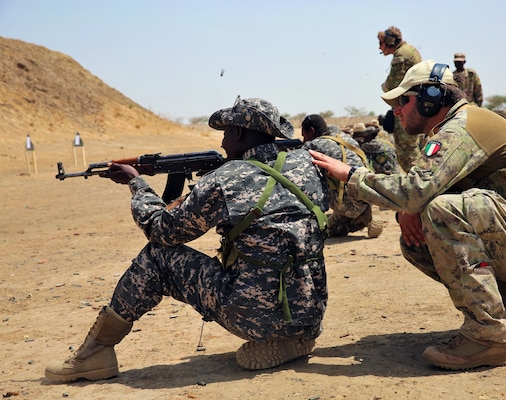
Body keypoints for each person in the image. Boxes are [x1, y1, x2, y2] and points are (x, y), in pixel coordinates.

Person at [309, 59, 506, 370]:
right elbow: (421, 193)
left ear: (432, 98)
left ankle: (488, 337)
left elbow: (417, 191)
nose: (397, 110)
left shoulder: (462, 126)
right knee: (415, 239)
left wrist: (351, 175)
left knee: (441, 210)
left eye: (404, 100)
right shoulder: (454, 126)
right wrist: (407, 211)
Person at [45, 97, 331, 381]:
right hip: (310, 311)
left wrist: (136, 184)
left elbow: (162, 230)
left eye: (226, 133)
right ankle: (292, 337)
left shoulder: (225, 179)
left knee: (157, 257)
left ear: (240, 133)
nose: (222, 142)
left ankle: (96, 353)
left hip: (257, 315)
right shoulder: (309, 164)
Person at [301, 114, 383, 239]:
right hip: (367, 190)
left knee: (322, 231)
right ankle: (366, 208)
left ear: (311, 131)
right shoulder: (345, 138)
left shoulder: (313, 146)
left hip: (348, 201)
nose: (303, 140)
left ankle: (359, 218)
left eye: (304, 136)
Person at [378, 25, 422, 172]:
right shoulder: (411, 50)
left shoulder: (400, 56)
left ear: (390, 42)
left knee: (406, 153)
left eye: (381, 43)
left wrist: (384, 87)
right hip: (416, 106)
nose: (380, 47)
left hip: (408, 107)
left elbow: (393, 85)